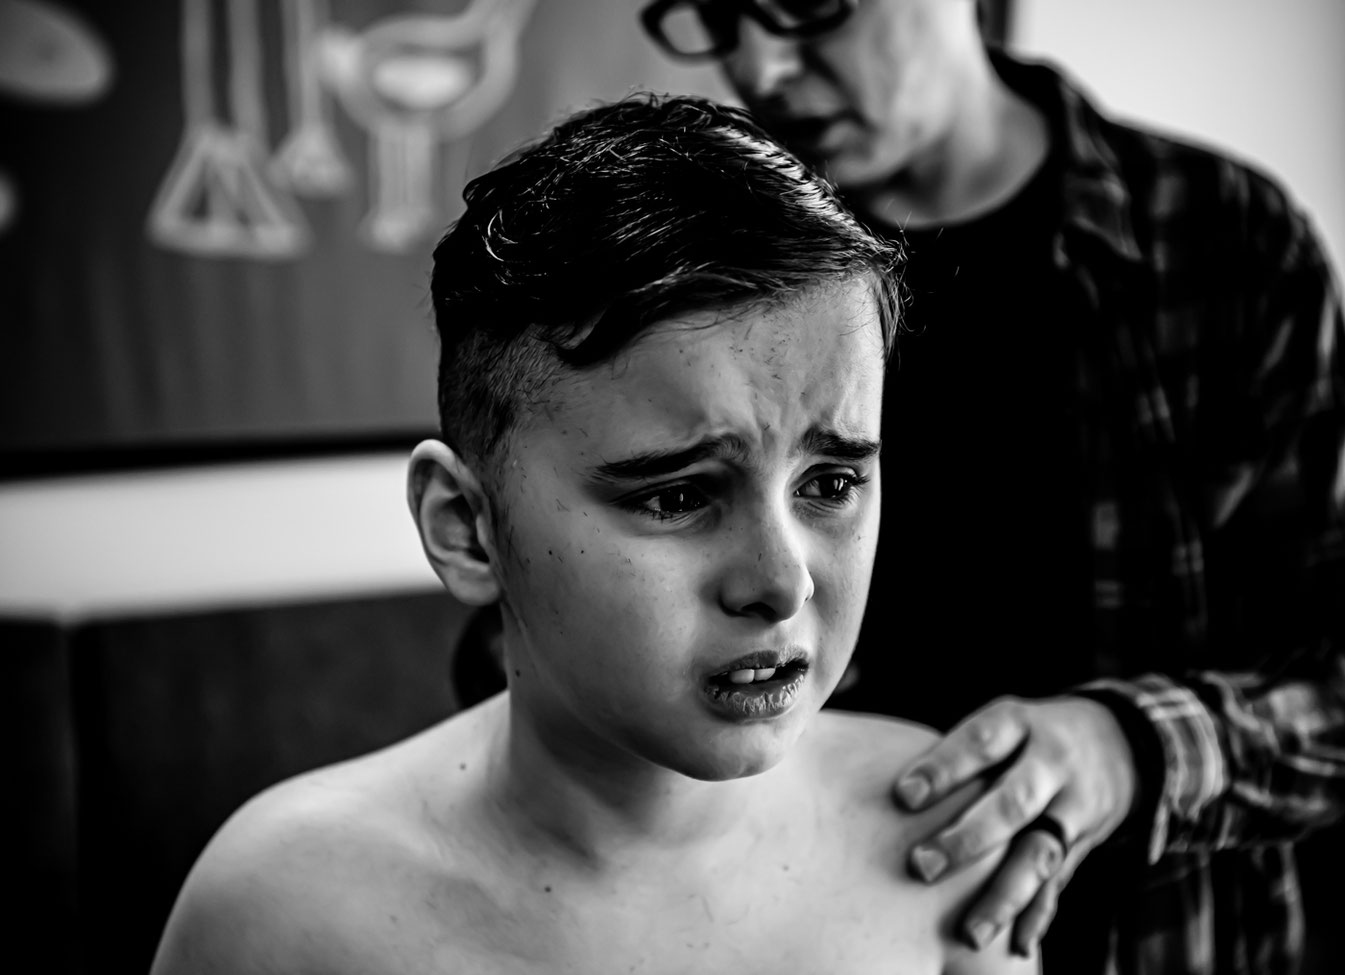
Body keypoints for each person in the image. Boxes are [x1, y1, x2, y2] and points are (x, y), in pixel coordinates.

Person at [149, 92, 1047, 974]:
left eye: (833, 481)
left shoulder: (949, 837)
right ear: (466, 527)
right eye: (676, 497)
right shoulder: (284, 911)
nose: (783, 582)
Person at [635, 2, 1345, 974]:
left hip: (1160, 944)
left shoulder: (1223, 242)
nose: (759, 66)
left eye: (810, 5)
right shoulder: (692, 271)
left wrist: (1131, 750)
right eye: (718, 18)